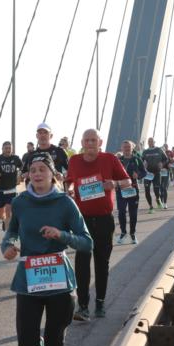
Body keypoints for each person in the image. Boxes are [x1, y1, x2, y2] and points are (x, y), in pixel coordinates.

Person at [1, 154, 93, 346]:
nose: (37, 173)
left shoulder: (66, 203)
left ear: (53, 175)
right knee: (26, 342)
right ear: (27, 175)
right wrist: (7, 247)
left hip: (59, 283)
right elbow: (11, 233)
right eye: (32, 170)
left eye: (43, 169)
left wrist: (61, 234)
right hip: (29, 280)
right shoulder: (20, 203)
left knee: (56, 342)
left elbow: (87, 242)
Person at [63, 129, 131, 320]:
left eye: (94, 140)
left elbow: (127, 181)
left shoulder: (109, 159)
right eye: (87, 140)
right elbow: (68, 182)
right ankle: (83, 306)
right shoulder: (75, 160)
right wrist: (68, 190)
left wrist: (114, 185)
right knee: (82, 264)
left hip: (103, 219)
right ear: (82, 142)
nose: (90, 143)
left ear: (100, 142)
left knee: (102, 263)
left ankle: (100, 302)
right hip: (81, 221)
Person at [0, 141, 24, 231]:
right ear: (2, 149)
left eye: (9, 148)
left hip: (11, 190)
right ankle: (4, 220)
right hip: (0, 190)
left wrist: (20, 175)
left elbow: (23, 168)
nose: (8, 150)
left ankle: (8, 234)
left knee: (9, 212)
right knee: (0, 215)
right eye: (6, 148)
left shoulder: (16, 158)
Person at [116, 140, 145, 245]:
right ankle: (123, 232)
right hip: (121, 190)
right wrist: (115, 182)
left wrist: (138, 176)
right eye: (125, 147)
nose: (127, 149)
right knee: (121, 211)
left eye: (128, 147)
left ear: (132, 148)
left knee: (133, 213)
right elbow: (112, 173)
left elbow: (144, 172)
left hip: (133, 189)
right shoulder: (118, 160)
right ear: (122, 148)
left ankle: (132, 234)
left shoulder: (137, 159)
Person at [141, 137, 168, 211]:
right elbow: (141, 161)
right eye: (149, 141)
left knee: (156, 190)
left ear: (154, 142)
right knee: (147, 189)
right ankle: (150, 206)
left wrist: (162, 164)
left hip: (157, 172)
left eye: (151, 141)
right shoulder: (145, 152)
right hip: (148, 173)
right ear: (148, 143)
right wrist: (143, 164)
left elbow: (166, 159)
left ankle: (158, 199)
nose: (150, 143)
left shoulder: (159, 150)